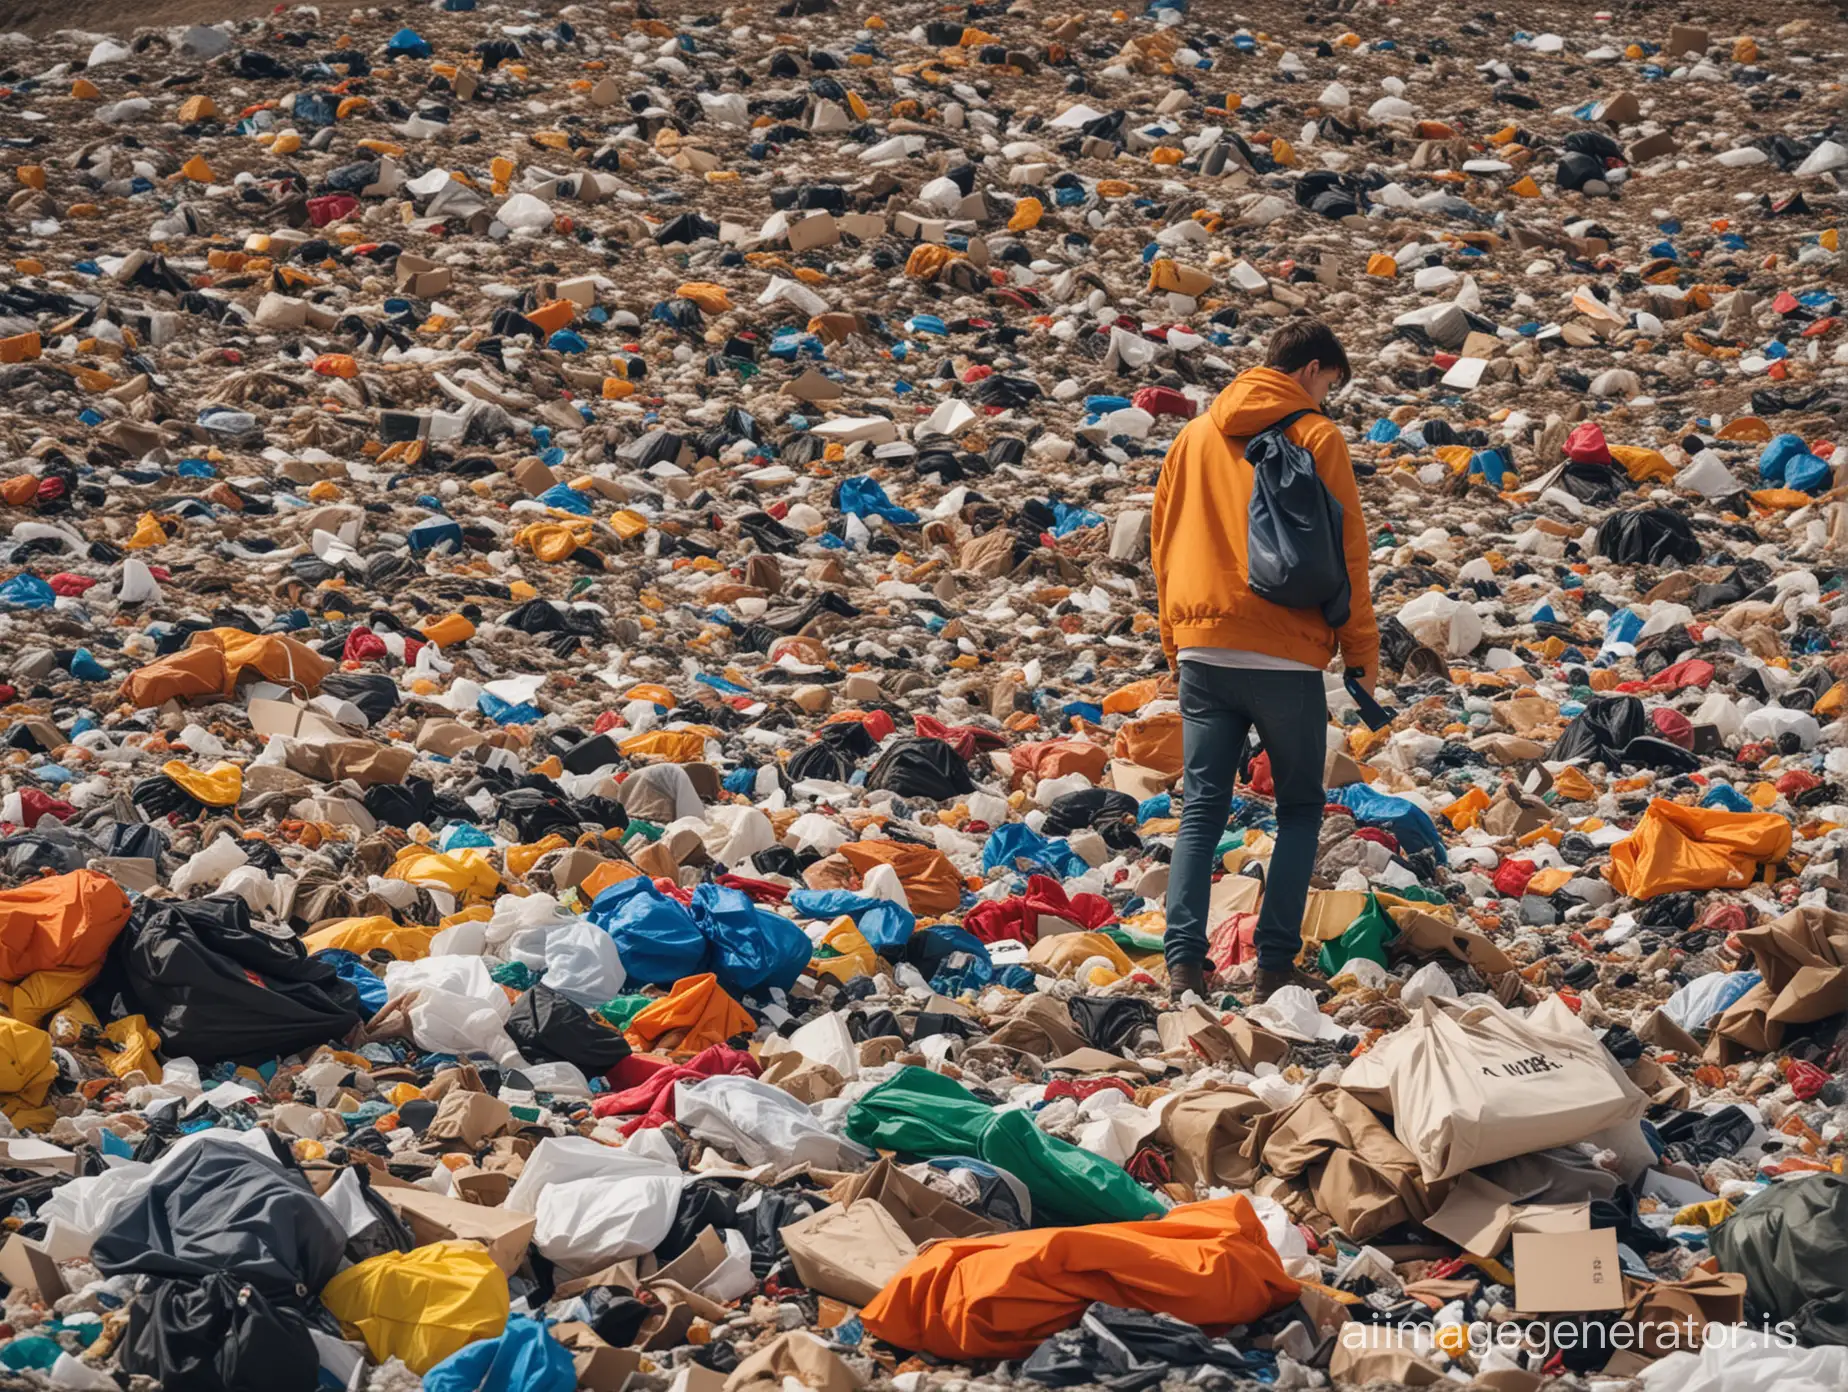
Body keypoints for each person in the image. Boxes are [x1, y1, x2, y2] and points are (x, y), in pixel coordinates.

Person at [1150, 320, 1378, 1002]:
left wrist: (1175, 641)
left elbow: (1162, 544)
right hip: (1285, 656)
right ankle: (1275, 965)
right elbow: (1350, 553)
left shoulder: (1192, 437)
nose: (1328, 400)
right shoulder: (1317, 436)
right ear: (1311, 370)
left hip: (1203, 651)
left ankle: (1184, 965)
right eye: (1330, 385)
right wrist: (1360, 655)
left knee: (1201, 810)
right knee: (1302, 807)